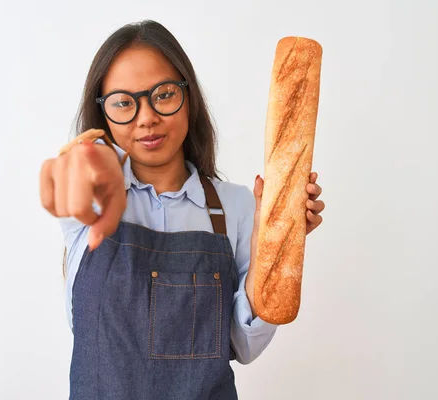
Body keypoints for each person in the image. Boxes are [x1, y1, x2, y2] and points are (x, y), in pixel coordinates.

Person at [39, 20, 325, 400]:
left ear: (188, 96)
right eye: (123, 102)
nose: (146, 118)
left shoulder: (236, 206)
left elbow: (242, 345)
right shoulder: (89, 199)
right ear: (103, 113)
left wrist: (268, 244)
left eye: (163, 94)